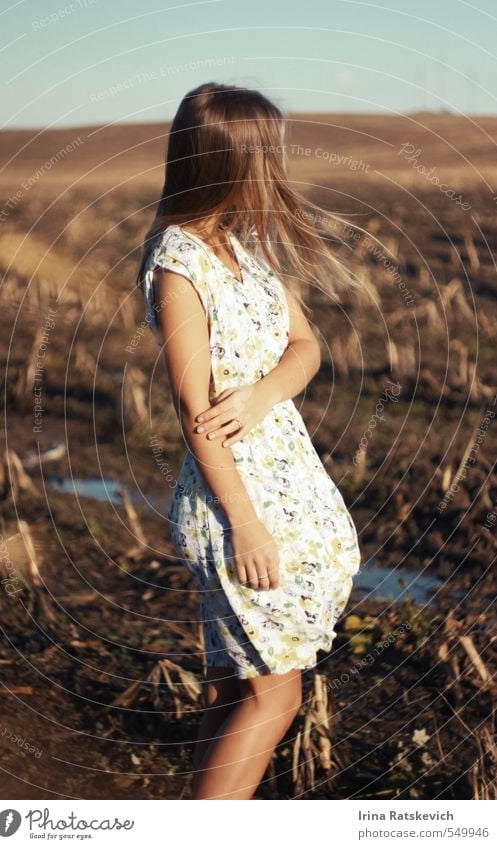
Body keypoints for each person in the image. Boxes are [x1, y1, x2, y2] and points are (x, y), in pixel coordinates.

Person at [136, 82, 363, 800]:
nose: (277, 168)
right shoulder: (179, 265)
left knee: (233, 691)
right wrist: (245, 524)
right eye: (267, 153)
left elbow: (306, 344)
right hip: (238, 504)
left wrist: (265, 391)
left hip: (284, 487)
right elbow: (193, 410)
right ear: (226, 160)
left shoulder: (245, 246)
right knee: (276, 697)